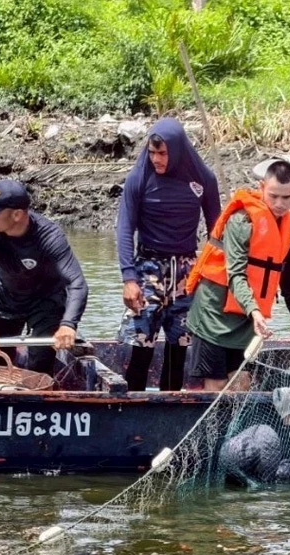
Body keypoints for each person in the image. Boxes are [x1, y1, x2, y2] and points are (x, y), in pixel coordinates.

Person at [184, 160, 290, 391]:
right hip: (215, 314)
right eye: (273, 196)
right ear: (262, 186)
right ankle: (214, 427)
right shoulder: (241, 221)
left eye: (286, 198)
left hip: (247, 319)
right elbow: (235, 274)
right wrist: (255, 312)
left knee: (242, 383)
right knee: (217, 385)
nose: (279, 204)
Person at [116, 118, 221, 392]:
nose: (156, 160)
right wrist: (129, 279)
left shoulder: (203, 179)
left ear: (176, 150)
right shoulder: (138, 178)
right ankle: (134, 409)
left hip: (187, 270)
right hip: (148, 269)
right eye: (152, 153)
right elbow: (125, 229)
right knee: (141, 344)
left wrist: (218, 278)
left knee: (179, 347)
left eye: (162, 154)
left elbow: (216, 233)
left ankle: (169, 407)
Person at [0, 179, 88, 373]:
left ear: (17, 214)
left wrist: (68, 324)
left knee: (40, 362)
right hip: (4, 297)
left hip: (45, 300)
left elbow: (76, 283)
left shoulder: (50, 236)